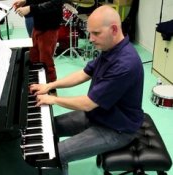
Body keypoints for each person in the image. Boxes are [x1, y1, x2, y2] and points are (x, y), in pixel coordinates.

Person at [29, 5, 144, 175]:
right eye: (90, 33)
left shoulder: (125, 64)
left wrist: (53, 99)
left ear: (113, 30)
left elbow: (88, 103)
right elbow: (84, 73)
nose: (90, 39)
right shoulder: (110, 49)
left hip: (116, 128)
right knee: (49, 128)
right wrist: (50, 86)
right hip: (100, 115)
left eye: (96, 33)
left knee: (55, 154)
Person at [13, 0, 63, 92]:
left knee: (46, 61)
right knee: (33, 57)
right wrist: (26, 2)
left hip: (49, 27)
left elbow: (55, 3)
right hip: (38, 25)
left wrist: (30, 8)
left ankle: (51, 89)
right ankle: (37, 84)